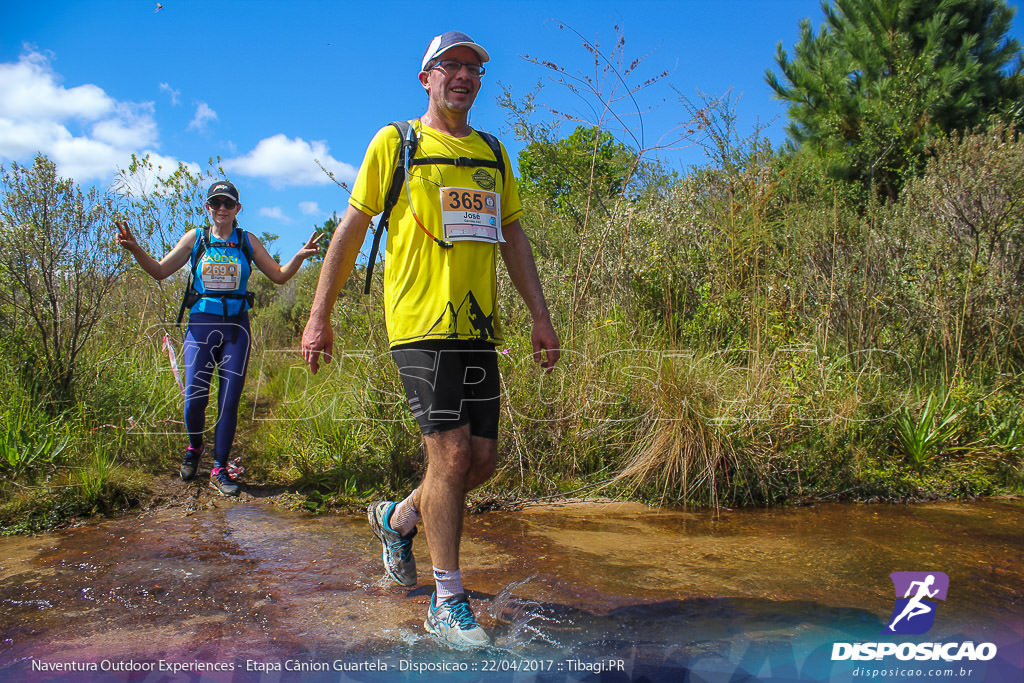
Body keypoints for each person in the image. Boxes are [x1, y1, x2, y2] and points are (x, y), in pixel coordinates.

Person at [301, 31, 559, 648]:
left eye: (474, 68)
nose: (464, 76)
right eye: (452, 66)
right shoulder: (398, 143)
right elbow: (352, 228)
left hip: (478, 328)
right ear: (426, 78)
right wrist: (319, 315)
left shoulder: (494, 153)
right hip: (420, 324)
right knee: (448, 457)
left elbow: (514, 241)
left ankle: (397, 519)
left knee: (481, 462)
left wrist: (540, 317)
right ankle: (448, 599)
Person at [117, 181, 321, 496]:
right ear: (207, 208)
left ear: (237, 209)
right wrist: (135, 248)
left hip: (236, 329)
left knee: (228, 400)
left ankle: (219, 468)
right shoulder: (195, 238)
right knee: (194, 399)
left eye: (228, 203)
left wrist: (300, 255)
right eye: (216, 203)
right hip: (200, 325)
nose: (222, 209)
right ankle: (195, 447)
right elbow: (159, 271)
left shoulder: (246, 241)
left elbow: (279, 275)